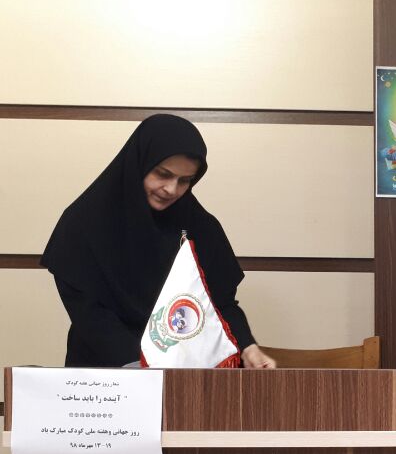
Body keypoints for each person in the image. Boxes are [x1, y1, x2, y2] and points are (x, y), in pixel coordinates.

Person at [41, 114, 276, 370]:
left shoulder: (199, 225)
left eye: (184, 180)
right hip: (107, 369)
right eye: (163, 174)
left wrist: (248, 346)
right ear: (139, 163)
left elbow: (220, 302)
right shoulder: (84, 223)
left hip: (182, 371)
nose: (171, 189)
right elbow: (90, 315)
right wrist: (141, 368)